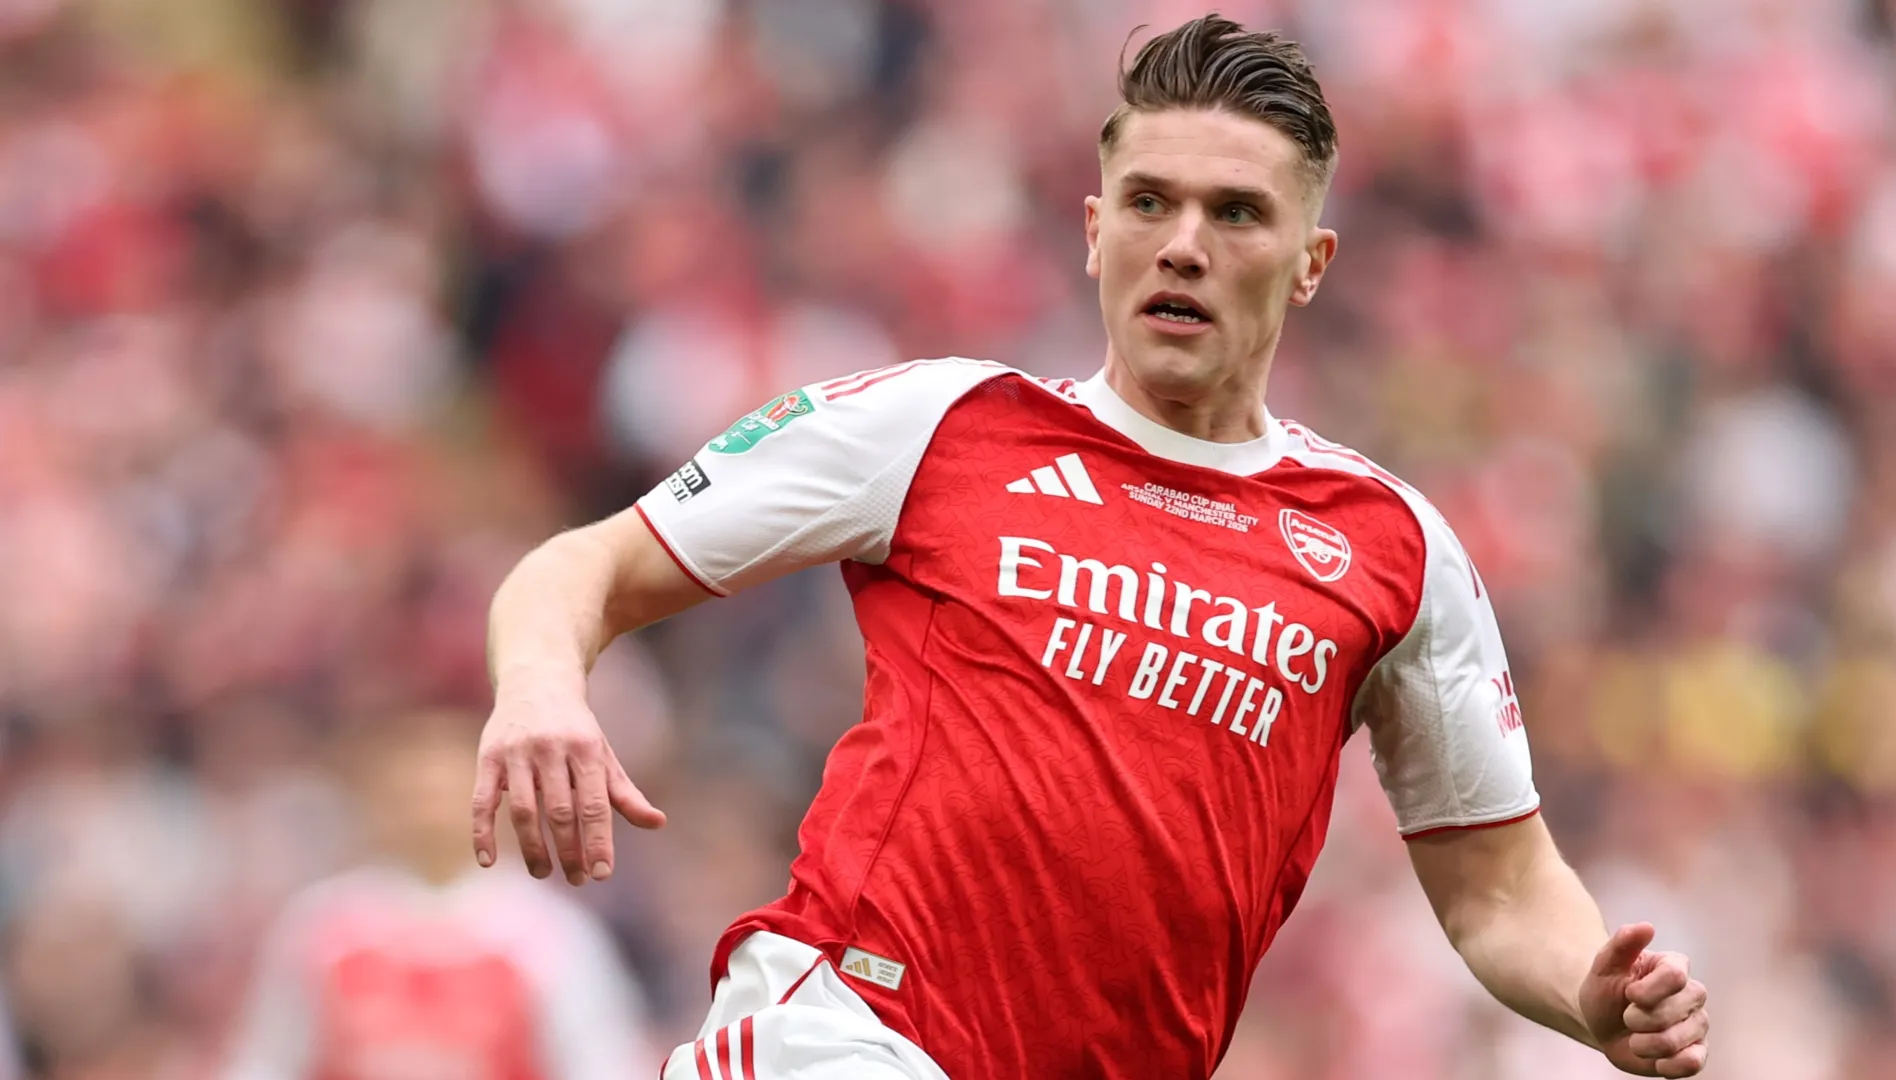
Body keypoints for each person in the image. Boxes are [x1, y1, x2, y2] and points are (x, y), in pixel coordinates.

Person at [471, 15, 1710, 1080]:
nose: (1183, 244)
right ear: (1092, 229)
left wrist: (1591, 1003)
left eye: (1237, 213)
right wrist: (539, 686)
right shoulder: (942, 424)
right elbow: (579, 567)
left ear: (1313, 264)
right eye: (1149, 203)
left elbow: (1498, 887)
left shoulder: (1390, 547)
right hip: (843, 1033)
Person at [226, 711, 655, 1080]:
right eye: (412, 796)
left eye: (444, 794)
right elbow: (268, 1061)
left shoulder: (545, 933)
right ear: (377, 803)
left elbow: (602, 1063)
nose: (428, 813)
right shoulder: (323, 926)